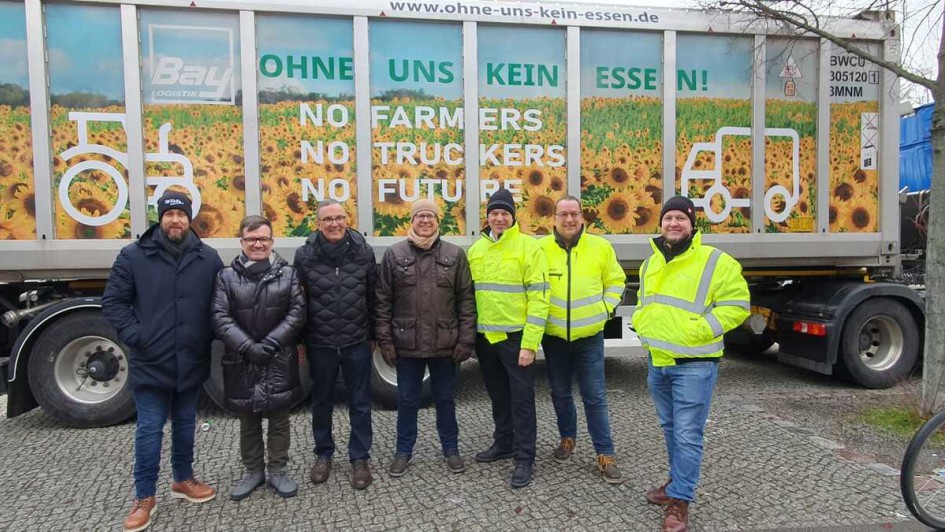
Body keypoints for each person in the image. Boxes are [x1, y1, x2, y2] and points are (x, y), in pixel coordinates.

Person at [102, 190, 223, 532]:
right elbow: (113, 303)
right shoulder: (134, 256)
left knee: (185, 423)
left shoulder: (208, 258)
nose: (175, 221)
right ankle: (144, 497)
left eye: (181, 215)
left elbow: (219, 305)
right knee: (150, 429)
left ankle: (183, 479)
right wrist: (138, 337)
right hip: (151, 359)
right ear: (160, 218)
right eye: (169, 215)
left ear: (189, 218)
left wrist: (206, 336)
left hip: (191, 358)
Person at [632, 196, 750, 532]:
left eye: (680, 219)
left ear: (692, 224)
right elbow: (644, 303)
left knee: (687, 434)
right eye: (668, 218)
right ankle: (675, 482)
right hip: (659, 362)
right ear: (661, 224)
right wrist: (642, 325)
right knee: (671, 430)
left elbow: (738, 305)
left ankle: (680, 500)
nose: (673, 224)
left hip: (695, 365)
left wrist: (699, 329)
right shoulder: (650, 262)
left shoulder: (716, 261)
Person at [375, 199, 477, 478]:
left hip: (445, 345)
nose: (425, 220)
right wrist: (385, 340)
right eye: (419, 215)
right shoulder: (394, 255)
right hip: (406, 345)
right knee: (407, 401)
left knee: (445, 400)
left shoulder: (454, 255)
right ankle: (403, 452)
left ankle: (451, 450)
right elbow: (382, 300)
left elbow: (466, 300)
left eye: (430, 216)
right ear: (411, 220)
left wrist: (465, 341)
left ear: (437, 221)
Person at [211, 215, 306, 501]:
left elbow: (297, 312)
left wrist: (271, 343)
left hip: (278, 357)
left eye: (263, 238)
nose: (257, 244)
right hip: (243, 360)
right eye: (251, 239)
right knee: (248, 420)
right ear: (241, 242)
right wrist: (248, 347)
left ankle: (278, 470)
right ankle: (253, 472)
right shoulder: (226, 277)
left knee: (279, 418)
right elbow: (219, 316)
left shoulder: (288, 274)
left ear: (272, 241)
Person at [540, 195, 627, 484]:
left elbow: (616, 281)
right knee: (560, 392)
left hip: (589, 336)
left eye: (574, 214)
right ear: (553, 218)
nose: (569, 220)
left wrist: (605, 309)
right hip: (553, 337)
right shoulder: (540, 249)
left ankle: (605, 453)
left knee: (595, 396)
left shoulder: (600, 247)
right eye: (563, 214)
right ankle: (567, 438)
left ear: (582, 218)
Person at [467, 188, 549, 489]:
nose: (499, 218)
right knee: (498, 396)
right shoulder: (477, 249)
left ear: (513, 217)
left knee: (522, 400)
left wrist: (530, 344)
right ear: (487, 217)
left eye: (504, 213)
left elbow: (540, 298)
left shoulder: (529, 247)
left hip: (516, 340)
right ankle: (503, 444)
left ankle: (525, 458)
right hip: (486, 339)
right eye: (494, 213)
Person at [293, 199, 377, 490]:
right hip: (320, 342)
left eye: (339, 217)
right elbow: (298, 303)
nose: (334, 224)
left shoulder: (363, 252)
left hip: (356, 340)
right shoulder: (304, 255)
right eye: (327, 219)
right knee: (321, 401)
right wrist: (301, 341)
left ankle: (359, 457)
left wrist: (374, 336)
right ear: (317, 223)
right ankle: (323, 454)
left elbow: (373, 296)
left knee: (360, 402)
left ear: (347, 219)